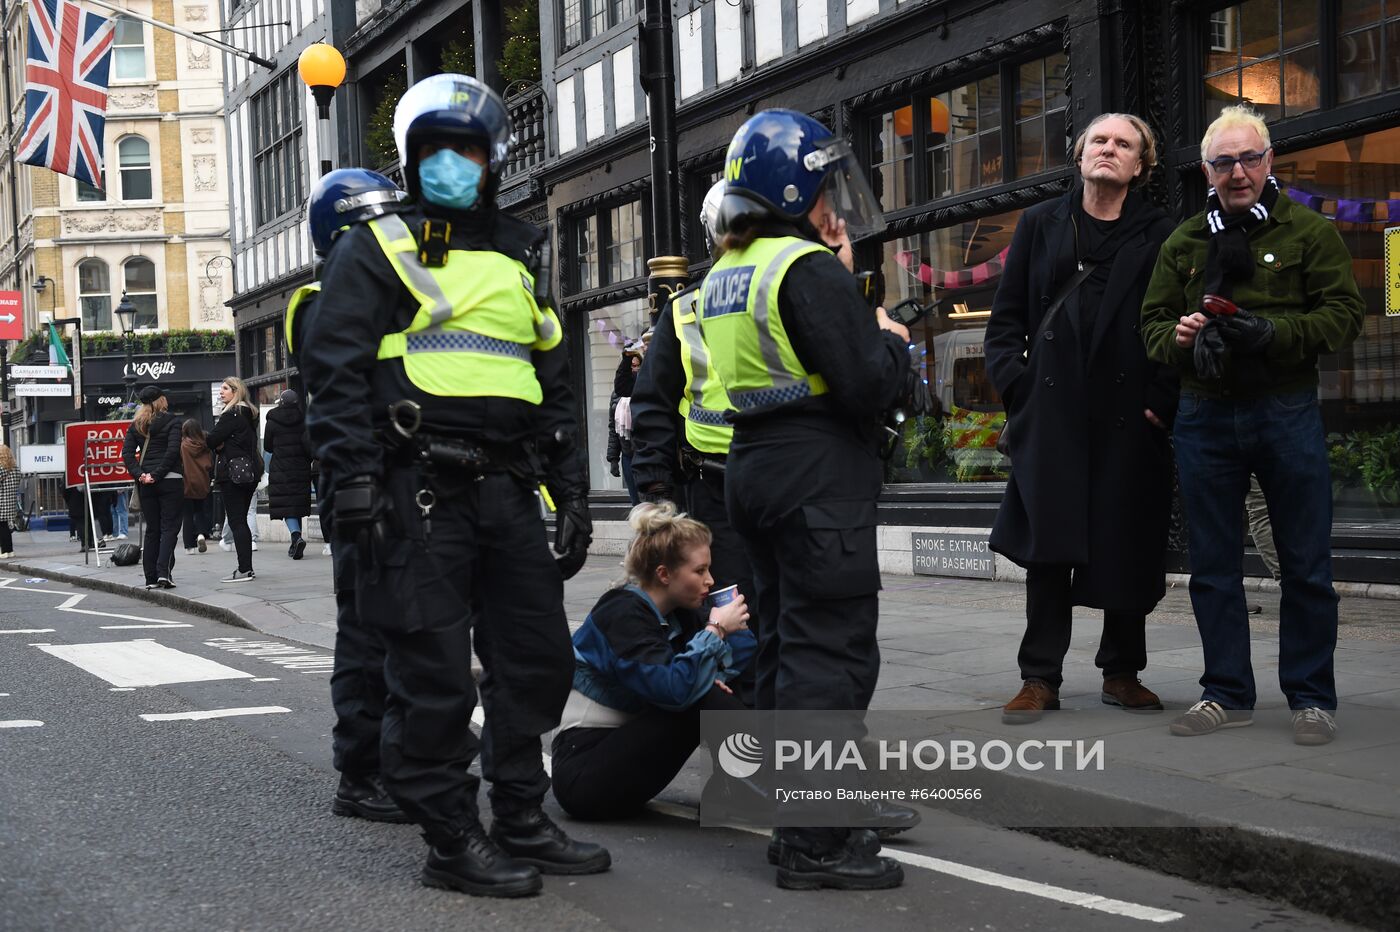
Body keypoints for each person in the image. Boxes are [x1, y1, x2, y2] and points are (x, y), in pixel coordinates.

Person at [298, 74, 607, 898]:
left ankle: (521, 814)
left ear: (493, 159)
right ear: (410, 158)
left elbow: (552, 380)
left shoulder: (518, 250)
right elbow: (334, 374)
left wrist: (571, 490)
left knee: (538, 661)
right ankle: (450, 838)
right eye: (435, 149)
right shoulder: (377, 245)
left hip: (506, 490)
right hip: (416, 486)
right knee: (432, 676)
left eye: (466, 149)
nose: (452, 164)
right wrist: (354, 483)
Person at [701, 109, 911, 890]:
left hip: (755, 464)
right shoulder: (803, 266)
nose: (834, 202)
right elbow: (866, 385)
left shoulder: (727, 271)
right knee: (829, 654)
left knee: (788, 651)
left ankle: (801, 826)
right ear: (794, 187)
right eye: (826, 185)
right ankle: (820, 842)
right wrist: (890, 341)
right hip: (818, 473)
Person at [1140, 105, 1364, 746]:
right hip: (1204, 416)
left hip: (1285, 410)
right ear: (1206, 171)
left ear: (1269, 162)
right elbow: (1150, 326)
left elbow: (1344, 316)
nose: (1237, 172)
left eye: (1249, 159)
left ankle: (1312, 698)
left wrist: (1274, 333)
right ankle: (1226, 693)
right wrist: (1181, 338)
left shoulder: (1308, 232)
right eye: (1223, 162)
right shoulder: (1183, 242)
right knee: (1213, 565)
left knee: (1305, 565)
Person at [984, 113, 1178, 724]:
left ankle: (1122, 672)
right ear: (1080, 154)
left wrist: (1160, 401)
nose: (1109, 149)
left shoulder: (1162, 233)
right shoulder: (1042, 223)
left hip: (1128, 417)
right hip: (1053, 414)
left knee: (1128, 542)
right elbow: (1005, 324)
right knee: (1048, 552)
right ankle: (1039, 677)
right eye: (1100, 140)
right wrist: (1021, 393)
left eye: (1124, 144)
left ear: (1140, 166)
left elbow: (1174, 325)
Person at [290, 166, 411, 827]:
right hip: (356, 483)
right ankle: (362, 773)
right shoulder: (321, 301)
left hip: (404, 481)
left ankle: (407, 756)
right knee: (368, 633)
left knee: (409, 629)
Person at [631, 179, 758, 702]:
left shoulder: (787, 289)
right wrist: (660, 495)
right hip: (713, 489)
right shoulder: (684, 310)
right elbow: (654, 404)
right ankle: (742, 734)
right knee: (728, 613)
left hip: (772, 477)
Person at [551, 502, 753, 820]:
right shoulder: (620, 613)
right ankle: (783, 786)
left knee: (707, 687)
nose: (710, 580)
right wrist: (715, 630)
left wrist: (723, 636)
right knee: (696, 692)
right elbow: (674, 688)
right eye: (699, 571)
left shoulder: (679, 614)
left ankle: (748, 787)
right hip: (585, 776)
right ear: (663, 574)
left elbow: (739, 664)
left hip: (625, 761)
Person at [120, 385, 185, 589]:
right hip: (170, 480)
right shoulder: (173, 421)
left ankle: (150, 577)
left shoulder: (137, 423)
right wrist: (157, 475)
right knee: (169, 528)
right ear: (161, 400)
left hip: (146, 484)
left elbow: (127, 454)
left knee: (152, 530)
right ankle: (163, 573)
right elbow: (173, 452)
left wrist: (142, 476)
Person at [207, 376, 262, 583]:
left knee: (237, 521)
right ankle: (247, 567)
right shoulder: (250, 413)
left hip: (233, 475)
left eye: (225, 389)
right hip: (250, 473)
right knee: (241, 521)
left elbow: (212, 439)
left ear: (235, 391)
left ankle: (244, 569)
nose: (221, 392)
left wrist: (216, 443)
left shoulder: (231, 414)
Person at [264, 389, 314, 560]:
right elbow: (308, 445)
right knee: (297, 503)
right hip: (301, 466)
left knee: (287, 504)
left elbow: (268, 447)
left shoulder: (272, 421)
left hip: (281, 467)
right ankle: (296, 543)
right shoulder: (303, 419)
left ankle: (295, 537)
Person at [606, 342, 642, 503]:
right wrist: (613, 458)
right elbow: (613, 428)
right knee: (636, 504)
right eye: (631, 366)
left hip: (644, 452)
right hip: (628, 455)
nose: (634, 369)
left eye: (637, 365)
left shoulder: (644, 384)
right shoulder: (617, 393)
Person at [179, 419, 215, 555]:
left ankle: (189, 546)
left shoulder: (183, 445)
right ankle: (200, 534)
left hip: (187, 483)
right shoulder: (205, 445)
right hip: (202, 482)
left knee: (187, 514)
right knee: (199, 510)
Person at [0, 443, 18, 558]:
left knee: (2, 528)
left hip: (1, 502)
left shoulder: (1, 469)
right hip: (10, 502)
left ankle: (4, 551)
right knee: (6, 526)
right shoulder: (16, 469)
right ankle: (10, 550)